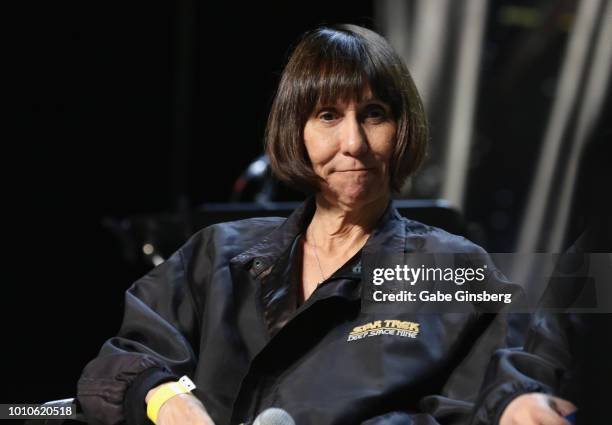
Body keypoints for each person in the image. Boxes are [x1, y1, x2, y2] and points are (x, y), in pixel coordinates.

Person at [76, 24, 573, 425]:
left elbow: (503, 377)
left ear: (402, 131)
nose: (353, 142)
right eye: (329, 115)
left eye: (374, 114)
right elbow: (124, 359)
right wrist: (169, 401)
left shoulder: (447, 268)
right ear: (297, 132)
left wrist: (516, 402)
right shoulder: (218, 255)